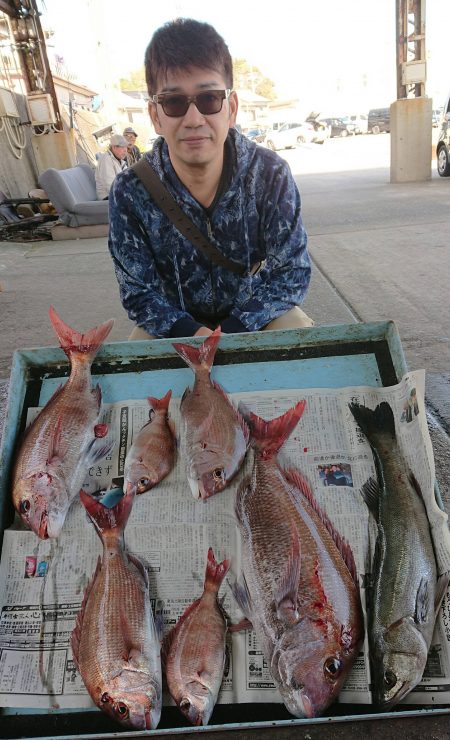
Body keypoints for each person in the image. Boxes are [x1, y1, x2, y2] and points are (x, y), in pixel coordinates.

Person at [108, 18, 312, 340]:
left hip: (252, 317)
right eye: (173, 102)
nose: (193, 120)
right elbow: (137, 291)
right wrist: (192, 333)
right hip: (176, 325)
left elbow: (292, 273)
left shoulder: (270, 174)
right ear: (154, 115)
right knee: (138, 348)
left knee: (295, 327)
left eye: (209, 99)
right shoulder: (130, 190)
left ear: (230, 108)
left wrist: (232, 331)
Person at [95, 134, 128, 200]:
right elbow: (111, 186)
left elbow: (128, 178)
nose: (125, 150)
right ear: (114, 147)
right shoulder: (106, 159)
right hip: (108, 198)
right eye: (122, 147)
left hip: (119, 193)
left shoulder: (120, 160)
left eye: (126, 147)